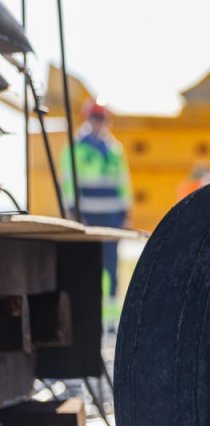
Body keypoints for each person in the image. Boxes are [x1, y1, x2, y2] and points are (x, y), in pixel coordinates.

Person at [60, 100, 132, 325]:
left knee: (112, 266)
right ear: (87, 119)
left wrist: (125, 211)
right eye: (95, 118)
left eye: (101, 119)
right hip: (88, 216)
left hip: (112, 216)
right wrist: (73, 210)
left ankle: (110, 319)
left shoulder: (114, 149)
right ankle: (88, 315)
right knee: (89, 264)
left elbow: (123, 182)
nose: (98, 124)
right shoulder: (76, 148)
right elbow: (69, 181)